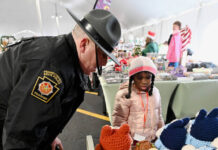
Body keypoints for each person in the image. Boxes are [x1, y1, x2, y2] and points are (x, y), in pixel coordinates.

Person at [0, 8, 121, 150]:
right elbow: (20, 138)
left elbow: (40, 114)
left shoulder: (67, 57)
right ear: (83, 45)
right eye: (102, 55)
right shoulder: (51, 69)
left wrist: (50, 137)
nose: (105, 63)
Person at [112, 56, 164, 143]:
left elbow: (159, 115)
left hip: (153, 139)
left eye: (148, 77)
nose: (144, 81)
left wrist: (161, 133)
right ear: (133, 78)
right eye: (139, 78)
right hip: (133, 141)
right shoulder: (125, 94)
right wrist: (124, 140)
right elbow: (119, 121)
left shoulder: (155, 92)